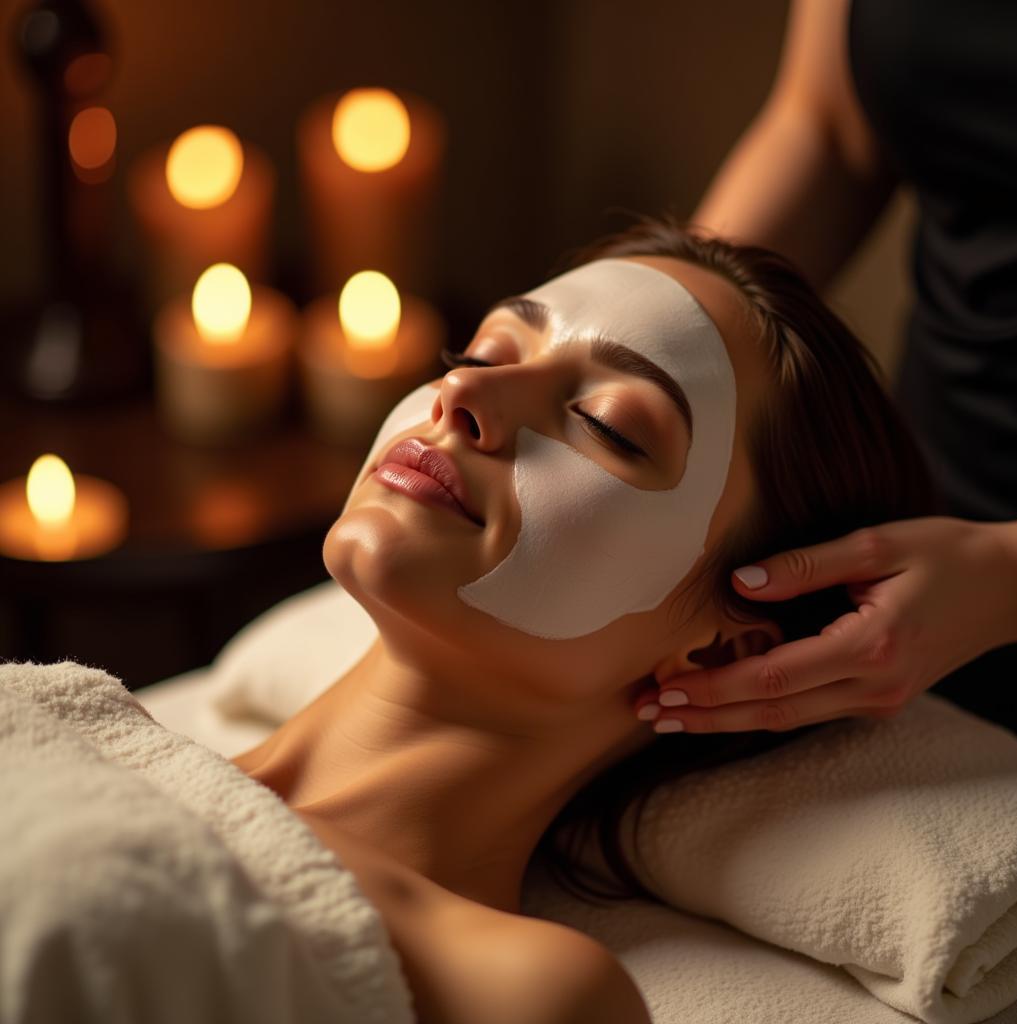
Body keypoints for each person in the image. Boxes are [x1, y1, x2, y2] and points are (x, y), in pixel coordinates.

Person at [231, 221, 965, 1024]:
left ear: (721, 648)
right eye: (481, 353)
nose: (462, 395)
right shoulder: (104, 730)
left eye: (608, 425)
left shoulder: (522, 993)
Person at [644, 0, 1017, 739]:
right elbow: (827, 126)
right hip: (926, 511)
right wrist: (653, 319)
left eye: (608, 431)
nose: (462, 391)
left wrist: (1012, 576)